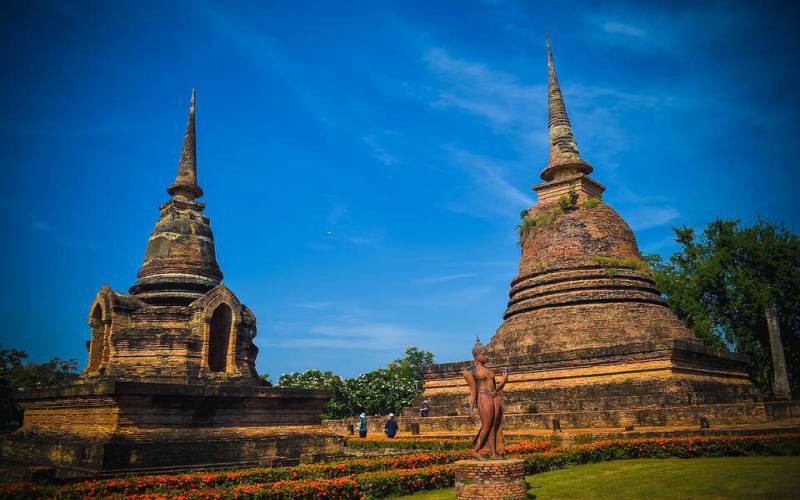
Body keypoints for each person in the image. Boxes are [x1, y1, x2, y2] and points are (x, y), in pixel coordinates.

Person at [462, 336, 508, 460]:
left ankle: (493, 453)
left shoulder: (489, 371)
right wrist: (471, 409)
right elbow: (473, 391)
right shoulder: (471, 371)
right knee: (486, 426)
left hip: (493, 397)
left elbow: (494, 389)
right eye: (483, 354)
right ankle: (476, 450)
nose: (486, 356)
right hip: (483, 398)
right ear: (476, 356)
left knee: (494, 425)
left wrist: (503, 382)